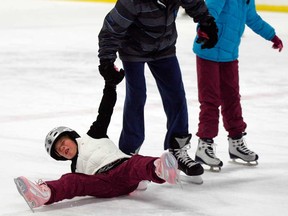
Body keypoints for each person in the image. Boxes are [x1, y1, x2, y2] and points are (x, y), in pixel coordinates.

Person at [14, 74, 179, 211]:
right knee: (72, 181)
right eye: (58, 150)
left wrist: (110, 84)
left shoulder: (94, 134)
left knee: (136, 162)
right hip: (103, 183)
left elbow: (105, 110)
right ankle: (44, 194)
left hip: (123, 169)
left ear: (71, 136)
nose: (63, 148)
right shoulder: (75, 168)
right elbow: (78, 185)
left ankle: (159, 170)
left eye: (63, 142)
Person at [98, 0, 218, 177]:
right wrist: (106, 61)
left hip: (164, 48)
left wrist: (206, 21)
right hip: (133, 50)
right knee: (137, 96)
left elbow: (193, 3)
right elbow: (111, 28)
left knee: (176, 95)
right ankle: (129, 153)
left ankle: (177, 149)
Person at [192, 0, 283, 170]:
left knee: (232, 98)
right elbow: (209, 12)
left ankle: (236, 141)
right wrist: (204, 29)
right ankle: (204, 145)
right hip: (208, 50)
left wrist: (272, 35)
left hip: (229, 54)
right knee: (210, 99)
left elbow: (253, 19)